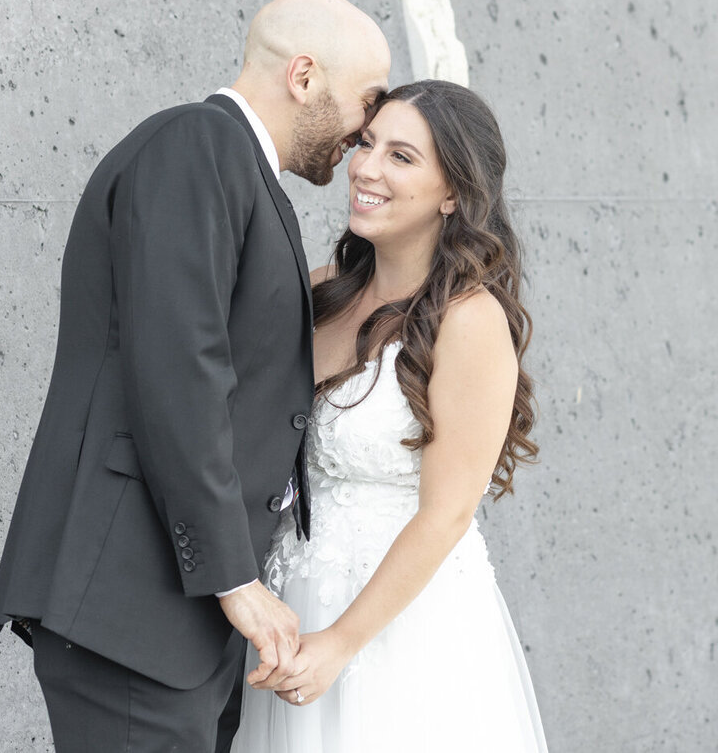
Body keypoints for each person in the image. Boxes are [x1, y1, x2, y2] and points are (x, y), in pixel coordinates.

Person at [0, 0, 390, 752]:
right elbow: (179, 367)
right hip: (134, 611)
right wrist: (236, 581)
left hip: (174, 626)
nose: (365, 130)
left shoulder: (237, 169)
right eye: (365, 102)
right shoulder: (197, 144)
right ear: (304, 76)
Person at [230, 80, 548, 752]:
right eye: (367, 143)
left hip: (397, 626)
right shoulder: (318, 290)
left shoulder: (470, 320)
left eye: (402, 157)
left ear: (453, 193)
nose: (366, 168)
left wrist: (340, 643)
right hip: (291, 601)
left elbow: (447, 513)